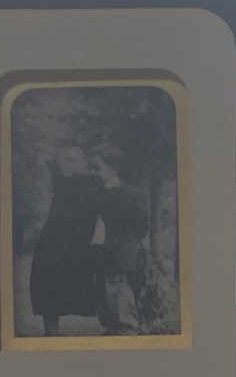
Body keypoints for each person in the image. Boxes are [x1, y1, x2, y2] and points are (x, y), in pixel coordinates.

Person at [27, 143, 105, 337]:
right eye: (69, 159)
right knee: (47, 283)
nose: (74, 163)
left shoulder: (91, 184)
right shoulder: (61, 182)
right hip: (54, 243)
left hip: (76, 245)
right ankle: (51, 332)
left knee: (72, 285)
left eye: (76, 159)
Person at [91, 150, 153, 335]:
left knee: (119, 288)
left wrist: (130, 243)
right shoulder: (97, 193)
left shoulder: (131, 194)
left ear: (113, 169)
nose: (94, 172)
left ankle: (126, 328)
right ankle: (114, 326)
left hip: (121, 248)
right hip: (103, 248)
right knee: (106, 289)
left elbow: (142, 223)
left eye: (98, 168)